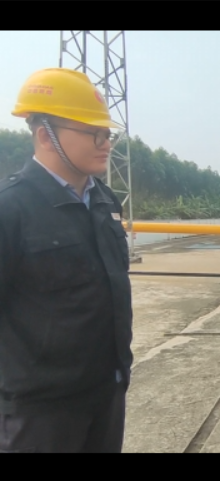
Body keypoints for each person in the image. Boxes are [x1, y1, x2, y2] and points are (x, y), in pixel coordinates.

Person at [0, 68, 133, 453]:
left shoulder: (104, 201)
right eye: (94, 133)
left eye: (108, 134)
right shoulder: (11, 209)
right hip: (39, 412)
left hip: (106, 393)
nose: (106, 144)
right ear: (45, 135)